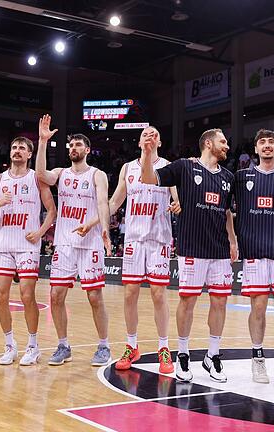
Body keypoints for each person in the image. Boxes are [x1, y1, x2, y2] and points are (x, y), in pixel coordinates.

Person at [140, 128, 237, 383]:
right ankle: (182, 354)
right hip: (192, 248)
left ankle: (212, 356)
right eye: (223, 141)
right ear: (208, 143)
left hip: (219, 251)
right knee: (188, 302)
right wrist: (148, 154)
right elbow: (150, 179)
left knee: (220, 303)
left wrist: (233, 241)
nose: (227, 146)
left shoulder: (228, 177)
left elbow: (227, 212)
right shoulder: (184, 167)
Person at [35, 115, 112, 366]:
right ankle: (63, 345)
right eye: (71, 145)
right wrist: (43, 141)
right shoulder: (61, 173)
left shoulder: (97, 175)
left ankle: (103, 346)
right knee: (56, 296)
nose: (74, 148)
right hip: (65, 242)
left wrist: (103, 230)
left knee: (94, 297)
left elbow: (103, 204)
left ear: (87, 150)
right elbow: (40, 174)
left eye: (79, 145)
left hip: (89, 242)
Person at [108, 127, 180, 374]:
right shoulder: (128, 168)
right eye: (145, 134)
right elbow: (115, 201)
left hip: (159, 239)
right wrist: (97, 220)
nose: (150, 136)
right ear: (139, 141)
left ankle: (164, 347)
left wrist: (179, 203)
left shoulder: (168, 166)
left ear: (159, 140)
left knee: (159, 295)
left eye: (154, 133)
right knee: (130, 294)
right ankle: (131, 345)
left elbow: (178, 196)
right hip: (134, 240)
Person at [0, 135, 56, 366]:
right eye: (14, 147)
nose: (16, 151)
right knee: (0, 296)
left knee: (27, 295)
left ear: (29, 154)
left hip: (28, 244)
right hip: (4, 244)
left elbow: (52, 211)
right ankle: (9, 345)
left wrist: (41, 232)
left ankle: (33, 346)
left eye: (21, 148)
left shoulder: (37, 178)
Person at [235, 129, 274, 385]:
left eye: (272, 142)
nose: (267, 146)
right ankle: (257, 358)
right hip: (254, 251)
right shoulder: (241, 177)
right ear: (256, 149)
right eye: (262, 142)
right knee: (258, 306)